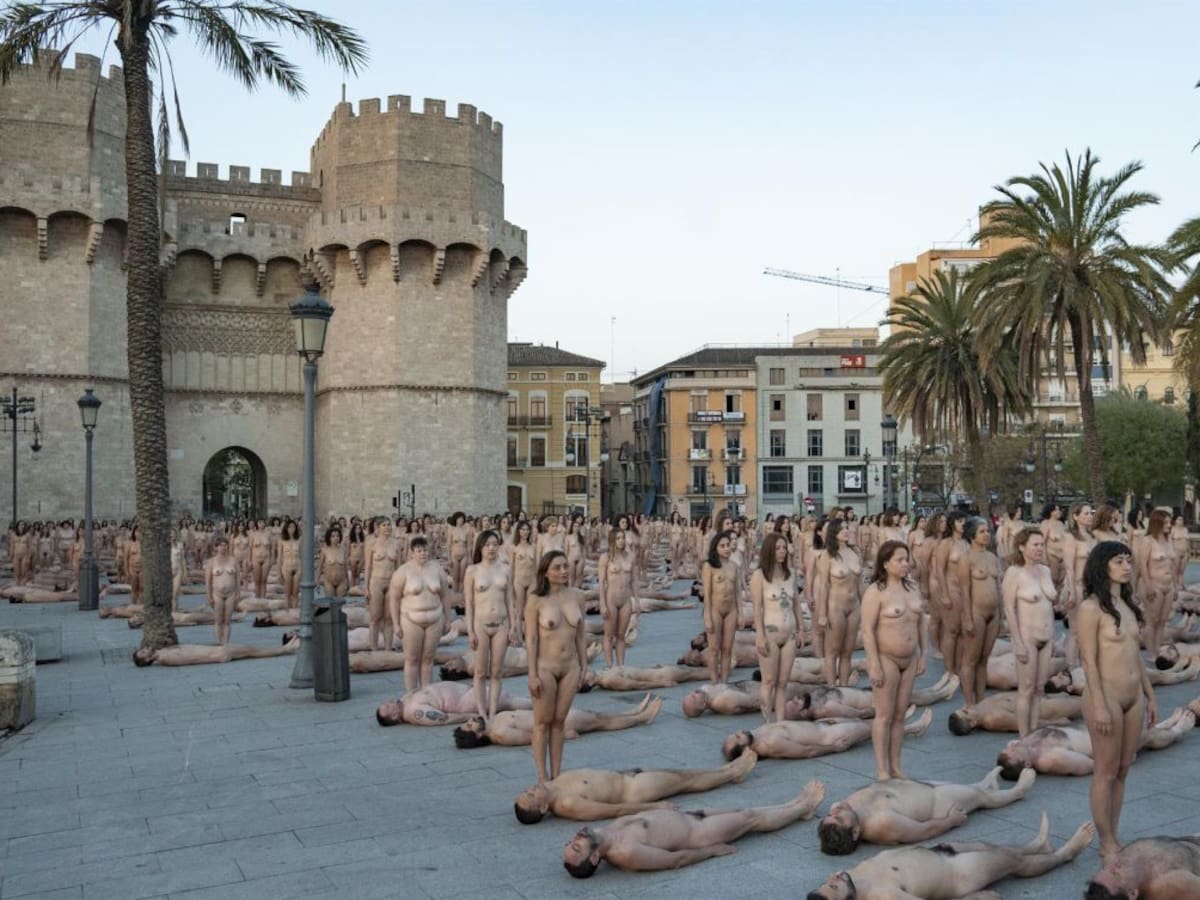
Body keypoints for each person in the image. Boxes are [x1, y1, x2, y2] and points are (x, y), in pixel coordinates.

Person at [1077, 540, 1157, 861]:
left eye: (1128, 560)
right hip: (1106, 695)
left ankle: (1114, 831)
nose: (1127, 566)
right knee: (1105, 771)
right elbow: (1088, 660)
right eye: (1119, 561)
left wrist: (1150, 696)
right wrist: (1097, 703)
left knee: (1124, 769)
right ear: (1102, 566)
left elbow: (1135, 657)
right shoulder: (1090, 608)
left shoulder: (1127, 605)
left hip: (1134, 696)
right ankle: (1106, 841)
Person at [562, 782, 826, 878]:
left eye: (571, 841)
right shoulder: (626, 854)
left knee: (744, 809)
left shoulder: (603, 832)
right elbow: (674, 860)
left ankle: (794, 804)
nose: (576, 838)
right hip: (699, 834)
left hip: (689, 817)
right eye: (577, 846)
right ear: (594, 858)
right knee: (749, 819)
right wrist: (712, 851)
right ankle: (803, 809)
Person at [806, 814, 1095, 900]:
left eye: (828, 880)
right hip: (958, 874)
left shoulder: (852, 878)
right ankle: (1064, 855)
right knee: (1011, 863)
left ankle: (1035, 845)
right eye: (833, 886)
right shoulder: (885, 897)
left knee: (989, 845)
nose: (834, 877)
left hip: (939, 853)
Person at [817, 766, 1037, 855]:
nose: (834, 812)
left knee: (974, 789)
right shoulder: (882, 824)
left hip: (917, 787)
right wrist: (951, 821)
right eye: (838, 819)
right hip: (936, 803)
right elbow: (922, 832)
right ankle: (1018, 791)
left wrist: (836, 812)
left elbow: (837, 809)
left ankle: (983, 783)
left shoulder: (846, 812)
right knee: (980, 799)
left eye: (830, 816)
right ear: (855, 832)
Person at [515, 751, 757, 824]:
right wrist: (655, 806)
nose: (530, 789)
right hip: (635, 791)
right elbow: (613, 811)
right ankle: (734, 773)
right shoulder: (568, 804)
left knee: (682, 774)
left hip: (626, 776)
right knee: (686, 781)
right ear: (545, 808)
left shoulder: (550, 786)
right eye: (530, 796)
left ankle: (727, 770)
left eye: (526, 792)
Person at [861, 540, 926, 781]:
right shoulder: (876, 592)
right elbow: (867, 630)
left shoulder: (913, 588)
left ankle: (896, 765)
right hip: (886, 657)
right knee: (885, 715)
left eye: (906, 559)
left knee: (900, 715)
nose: (905, 564)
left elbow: (921, 622)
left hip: (909, 658)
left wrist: (923, 653)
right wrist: (874, 664)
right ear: (886, 564)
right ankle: (882, 769)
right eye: (899, 560)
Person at [524, 549, 588, 783]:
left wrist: (584, 664)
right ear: (546, 573)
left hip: (570, 667)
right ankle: (543, 778)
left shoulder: (578, 596)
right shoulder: (536, 599)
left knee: (560, 722)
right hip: (545, 668)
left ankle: (557, 776)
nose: (563, 571)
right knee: (542, 723)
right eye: (557, 568)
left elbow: (581, 635)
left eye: (565, 566)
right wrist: (532, 675)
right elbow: (531, 639)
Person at [995, 708, 1195, 780]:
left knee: (1142, 728)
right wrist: (1120, 759)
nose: (1010, 747)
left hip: (1098, 729)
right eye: (1013, 752)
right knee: (1146, 736)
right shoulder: (1051, 759)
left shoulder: (1025, 746)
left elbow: (1012, 748)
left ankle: (1165, 724)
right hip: (1109, 744)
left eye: (1007, 748)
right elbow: (1089, 766)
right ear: (1028, 764)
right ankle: (1178, 731)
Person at [1002, 528, 1057, 736]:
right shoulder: (1014, 572)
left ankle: (1034, 732)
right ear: (1022, 547)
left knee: (1039, 689)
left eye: (1042, 544)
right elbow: (1009, 608)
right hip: (1027, 637)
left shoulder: (1045, 571)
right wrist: (1017, 642)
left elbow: (1051, 603)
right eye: (1035, 545)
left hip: (1047, 635)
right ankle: (1024, 736)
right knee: (1025, 689)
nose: (1039, 548)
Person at [453, 694, 662, 749]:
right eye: (471, 725)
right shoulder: (501, 734)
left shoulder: (495, 721)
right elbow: (534, 738)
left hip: (553, 714)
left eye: (468, 722)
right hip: (557, 724)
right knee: (600, 722)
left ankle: (633, 712)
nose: (472, 720)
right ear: (477, 736)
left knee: (598, 716)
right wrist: (563, 737)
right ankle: (641, 718)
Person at [722, 708, 932, 761]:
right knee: (873, 728)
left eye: (735, 733)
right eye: (738, 738)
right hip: (830, 736)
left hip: (822, 726)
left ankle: (902, 720)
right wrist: (833, 747)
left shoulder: (756, 734)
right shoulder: (770, 745)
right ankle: (912, 728)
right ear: (745, 749)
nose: (740, 732)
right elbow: (805, 751)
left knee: (865, 723)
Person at [463, 530, 516, 724]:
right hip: (481, 625)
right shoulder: (472, 570)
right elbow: (469, 604)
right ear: (480, 548)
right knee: (479, 671)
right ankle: (481, 711)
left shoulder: (506, 569)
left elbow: (510, 600)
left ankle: (493, 712)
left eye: (495, 544)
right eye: (487, 545)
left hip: (502, 624)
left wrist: (513, 626)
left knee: (496, 671)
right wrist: (469, 631)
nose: (491, 548)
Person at [751, 532, 803, 722]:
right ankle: (767, 723)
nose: (782, 552)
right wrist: (760, 636)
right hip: (770, 633)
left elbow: (796, 603)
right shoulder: (760, 576)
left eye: (784, 547)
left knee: (783, 683)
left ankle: (780, 722)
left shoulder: (791, 575)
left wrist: (801, 629)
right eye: (778, 548)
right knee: (769, 681)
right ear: (769, 551)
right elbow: (757, 609)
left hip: (789, 634)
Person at [387, 535, 445, 692]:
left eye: (425, 550)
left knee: (428, 659)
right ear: (412, 552)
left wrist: (448, 620)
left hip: (435, 617)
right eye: (419, 551)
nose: (423, 553)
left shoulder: (437, 568)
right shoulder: (403, 571)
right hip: (411, 619)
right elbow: (394, 598)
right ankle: (411, 694)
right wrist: (396, 624)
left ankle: (427, 692)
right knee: (412, 659)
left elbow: (445, 596)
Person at [813, 519, 863, 687]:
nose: (846, 531)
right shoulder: (827, 555)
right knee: (833, 650)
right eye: (842, 529)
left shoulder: (855, 552)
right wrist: (821, 613)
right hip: (836, 606)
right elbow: (824, 586)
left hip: (854, 606)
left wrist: (866, 607)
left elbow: (860, 584)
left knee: (848, 651)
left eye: (847, 528)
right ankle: (831, 687)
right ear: (834, 533)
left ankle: (844, 688)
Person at [958, 516, 1001, 706]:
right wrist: (967, 617)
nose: (986, 535)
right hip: (976, 612)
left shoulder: (992, 557)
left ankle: (981, 699)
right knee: (970, 660)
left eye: (988, 531)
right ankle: (969, 702)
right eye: (982, 532)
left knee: (984, 659)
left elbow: (998, 587)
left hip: (994, 613)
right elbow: (964, 591)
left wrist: (1002, 614)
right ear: (971, 535)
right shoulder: (966, 559)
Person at [1085, 834, 1200, 899]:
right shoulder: (1170, 884)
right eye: (1116, 874)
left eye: (1105, 869)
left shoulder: (1112, 863)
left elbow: (1108, 857)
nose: (1115, 864)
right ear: (1132, 893)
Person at [374, 681, 530, 726]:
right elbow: (444, 718)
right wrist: (471, 715)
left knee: (509, 699)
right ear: (394, 716)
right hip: (467, 701)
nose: (387, 702)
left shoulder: (404, 700)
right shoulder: (415, 712)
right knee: (509, 700)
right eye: (387, 707)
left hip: (466, 693)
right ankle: (538, 706)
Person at [1135, 510, 1176, 657]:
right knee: (1152, 620)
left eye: (1169, 522)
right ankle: (1151, 654)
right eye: (1166, 523)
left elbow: (1172, 565)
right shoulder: (1148, 541)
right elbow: (1142, 565)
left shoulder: (1169, 539)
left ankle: (1158, 651)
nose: (1169, 525)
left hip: (1169, 585)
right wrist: (1148, 585)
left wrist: (1175, 587)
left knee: (1163, 621)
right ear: (1157, 523)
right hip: (1153, 584)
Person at [701, 529, 740, 684]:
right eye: (722, 546)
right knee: (714, 649)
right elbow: (707, 594)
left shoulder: (734, 566)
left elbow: (737, 592)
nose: (726, 548)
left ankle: (724, 681)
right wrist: (707, 616)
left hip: (731, 610)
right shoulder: (709, 566)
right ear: (715, 548)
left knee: (727, 648)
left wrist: (741, 614)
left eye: (728, 545)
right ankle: (714, 681)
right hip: (715, 609)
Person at [948, 692, 1084, 735]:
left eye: (962, 708)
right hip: (1047, 709)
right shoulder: (993, 719)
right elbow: (1023, 724)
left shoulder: (979, 707)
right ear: (972, 723)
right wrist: (1055, 723)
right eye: (965, 712)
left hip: (1041, 698)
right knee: (1089, 703)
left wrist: (1050, 694)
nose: (966, 707)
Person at [133, 632, 300, 666]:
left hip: (217, 651)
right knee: (253, 651)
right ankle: (286, 649)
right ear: (146, 660)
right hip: (217, 654)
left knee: (253, 651)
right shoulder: (165, 659)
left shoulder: (162, 653)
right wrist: (217, 656)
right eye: (142, 652)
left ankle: (286, 648)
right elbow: (193, 659)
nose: (144, 648)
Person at [598, 527, 637, 668]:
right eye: (618, 538)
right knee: (609, 635)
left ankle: (621, 666)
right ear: (612, 541)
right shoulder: (606, 558)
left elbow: (633, 580)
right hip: (611, 599)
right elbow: (601, 582)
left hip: (626, 599)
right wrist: (602, 604)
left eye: (623, 538)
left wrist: (637, 601)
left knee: (621, 636)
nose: (621, 541)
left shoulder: (630, 556)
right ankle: (610, 666)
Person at [205, 537, 240, 645]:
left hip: (231, 593)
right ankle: (219, 642)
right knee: (218, 621)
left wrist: (238, 593)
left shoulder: (233, 560)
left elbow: (238, 578)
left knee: (227, 621)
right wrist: (209, 595)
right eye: (220, 545)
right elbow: (208, 580)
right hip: (217, 594)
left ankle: (226, 643)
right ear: (216, 547)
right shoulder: (211, 562)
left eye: (225, 545)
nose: (223, 547)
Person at [509, 520, 537, 645]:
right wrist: (510, 587)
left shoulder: (533, 547)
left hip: (531, 580)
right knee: (519, 611)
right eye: (522, 529)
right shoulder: (514, 548)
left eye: (527, 529)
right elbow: (511, 568)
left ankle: (529, 636)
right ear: (518, 531)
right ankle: (519, 638)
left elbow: (536, 567)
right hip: (519, 580)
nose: (525, 532)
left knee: (530, 611)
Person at [318, 525, 348, 599]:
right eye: (333, 536)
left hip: (341, 581)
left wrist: (348, 581)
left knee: (339, 604)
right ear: (329, 538)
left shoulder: (343, 550)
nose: (336, 538)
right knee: (330, 603)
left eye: (337, 536)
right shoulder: (325, 550)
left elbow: (346, 567)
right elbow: (319, 567)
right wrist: (317, 582)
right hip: (329, 581)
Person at [276, 519, 301, 609]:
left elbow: (302, 556)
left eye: (293, 527)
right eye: (290, 527)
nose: (291, 529)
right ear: (286, 528)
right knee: (287, 593)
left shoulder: (299, 541)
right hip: (286, 567)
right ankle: (287, 612)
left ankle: (294, 611)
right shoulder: (282, 541)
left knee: (295, 593)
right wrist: (278, 573)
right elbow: (279, 557)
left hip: (298, 567)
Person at [248, 520, 271, 599]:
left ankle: (263, 598)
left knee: (264, 581)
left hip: (266, 558)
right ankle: (257, 598)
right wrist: (249, 560)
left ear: (265, 523)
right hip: (255, 559)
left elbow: (271, 548)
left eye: (262, 522)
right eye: (259, 522)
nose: (261, 524)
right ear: (257, 524)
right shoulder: (253, 534)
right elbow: (250, 548)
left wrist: (272, 559)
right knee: (257, 581)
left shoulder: (268, 534)